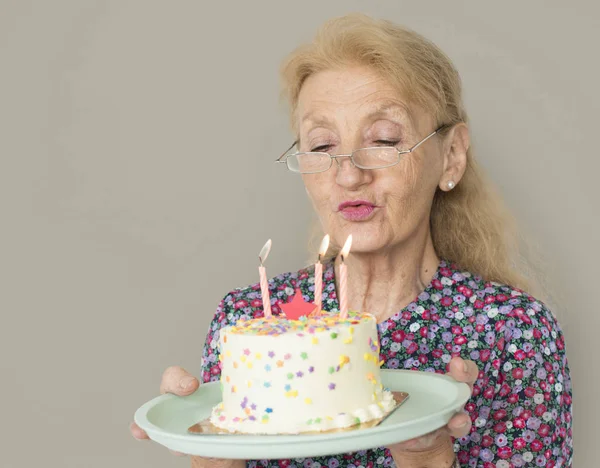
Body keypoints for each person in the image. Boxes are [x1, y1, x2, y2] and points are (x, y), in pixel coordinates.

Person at [130, 13, 573, 468]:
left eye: (383, 138)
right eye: (321, 146)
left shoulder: (510, 330)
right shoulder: (249, 321)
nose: (348, 173)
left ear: (451, 156)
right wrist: (209, 446)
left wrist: (429, 453)